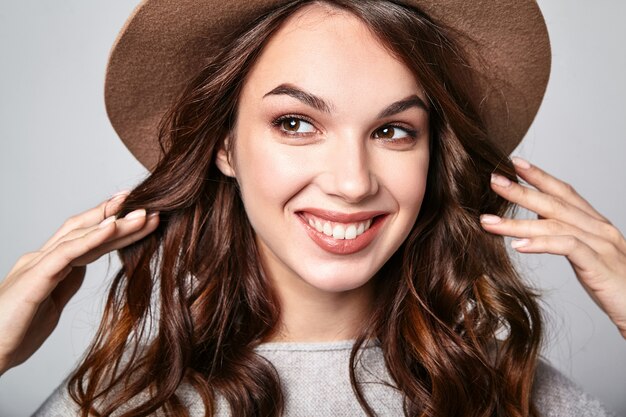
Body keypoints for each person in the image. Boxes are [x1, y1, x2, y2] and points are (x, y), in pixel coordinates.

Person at [0, 0, 624, 416]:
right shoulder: (123, 403)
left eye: (393, 131)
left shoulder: (512, 394)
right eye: (296, 123)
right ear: (225, 147)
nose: (352, 183)